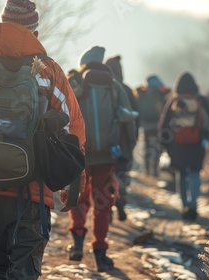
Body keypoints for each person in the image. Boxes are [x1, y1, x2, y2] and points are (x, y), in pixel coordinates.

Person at [0, 0, 86, 279]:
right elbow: (74, 129)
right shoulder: (49, 71)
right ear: (33, 32)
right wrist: (72, 184)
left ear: (1, 24)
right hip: (31, 191)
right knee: (23, 270)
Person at [67, 46, 136, 272]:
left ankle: (77, 241)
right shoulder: (114, 86)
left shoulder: (75, 83)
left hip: (79, 155)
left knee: (78, 198)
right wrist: (126, 152)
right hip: (107, 156)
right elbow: (128, 121)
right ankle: (100, 253)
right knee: (103, 203)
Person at [158, 72, 209, 222]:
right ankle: (193, 205)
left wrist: (164, 145)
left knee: (181, 174)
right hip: (198, 143)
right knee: (195, 174)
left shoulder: (174, 101)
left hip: (177, 145)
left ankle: (184, 205)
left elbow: (164, 124)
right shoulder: (200, 100)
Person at [105, 54, 139, 222]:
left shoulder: (101, 87)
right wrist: (132, 141)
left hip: (104, 142)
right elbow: (135, 118)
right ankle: (120, 199)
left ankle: (107, 208)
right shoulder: (126, 89)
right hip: (123, 142)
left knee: (105, 176)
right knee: (120, 174)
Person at [135, 75, 171, 177]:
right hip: (157, 125)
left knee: (147, 146)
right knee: (156, 147)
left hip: (146, 125)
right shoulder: (160, 93)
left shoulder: (143, 92)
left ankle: (146, 170)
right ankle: (155, 170)